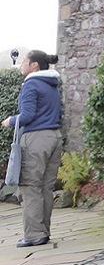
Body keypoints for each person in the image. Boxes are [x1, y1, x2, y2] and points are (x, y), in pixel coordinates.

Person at [2, 50, 63, 248]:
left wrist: (10, 120)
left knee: (29, 187)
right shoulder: (52, 85)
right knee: (45, 187)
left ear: (34, 65)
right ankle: (43, 231)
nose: (21, 65)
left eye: (24, 62)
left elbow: (27, 116)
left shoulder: (31, 84)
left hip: (36, 139)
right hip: (54, 137)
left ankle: (34, 235)